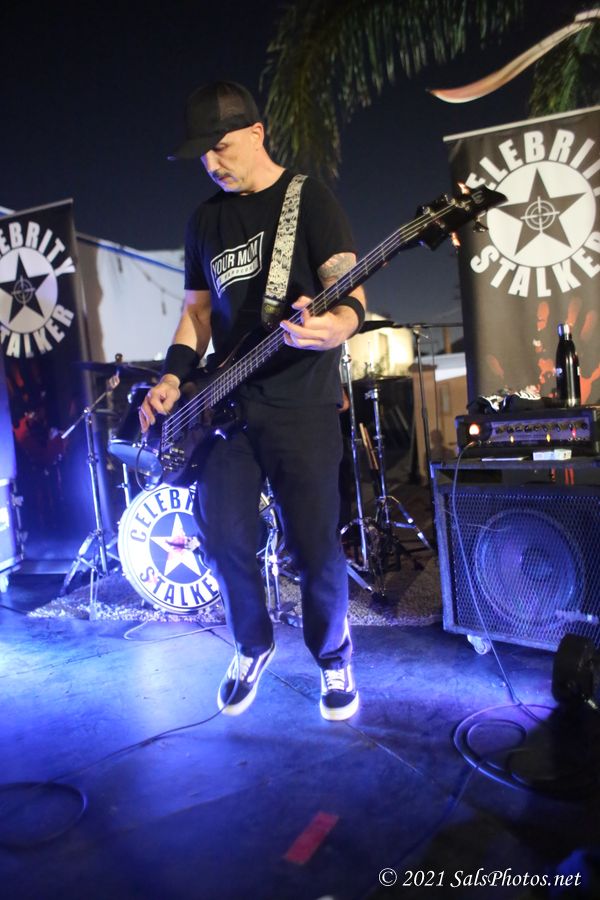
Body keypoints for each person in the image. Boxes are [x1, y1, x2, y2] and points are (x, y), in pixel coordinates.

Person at [139, 81, 366, 721]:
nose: (212, 162)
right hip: (227, 408)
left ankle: (333, 656)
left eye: (221, 146)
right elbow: (196, 315)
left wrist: (335, 326)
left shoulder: (307, 199)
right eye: (202, 154)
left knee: (314, 548)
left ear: (257, 133)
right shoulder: (203, 221)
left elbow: (349, 292)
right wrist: (174, 376)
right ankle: (251, 644)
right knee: (222, 538)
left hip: (302, 402)